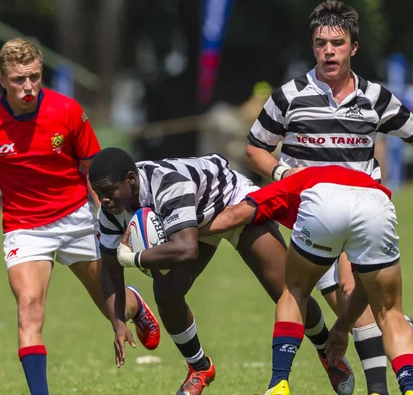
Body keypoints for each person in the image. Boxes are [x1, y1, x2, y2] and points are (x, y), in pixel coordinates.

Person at [245, 0, 413, 392]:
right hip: (314, 211)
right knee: (354, 308)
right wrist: (282, 172)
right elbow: (255, 147)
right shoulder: (289, 95)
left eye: (337, 43)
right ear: (312, 46)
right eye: (321, 43)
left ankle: (376, 386)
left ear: (353, 48)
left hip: (359, 207)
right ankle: (405, 334)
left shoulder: (374, 97)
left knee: (354, 301)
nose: (328, 51)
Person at [0, 38, 160, 395]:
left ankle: (135, 303)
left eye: (35, 78)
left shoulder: (67, 111)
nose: (28, 87)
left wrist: (110, 218)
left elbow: (96, 171)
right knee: (29, 307)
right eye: (19, 79)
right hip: (25, 229)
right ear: (2, 79)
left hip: (76, 219)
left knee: (112, 307)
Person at [89, 147, 354, 395]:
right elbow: (110, 270)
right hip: (191, 226)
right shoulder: (110, 211)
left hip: (229, 202)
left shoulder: (168, 184)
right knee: (166, 294)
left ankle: (326, 349)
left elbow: (186, 249)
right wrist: (119, 323)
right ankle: (200, 367)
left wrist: (136, 257)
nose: (104, 200)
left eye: (109, 191)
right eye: (99, 193)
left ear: (131, 179)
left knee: (286, 289)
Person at [198, 165, 413, 395]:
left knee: (295, 290)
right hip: (376, 203)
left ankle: (279, 382)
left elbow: (234, 215)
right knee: (390, 312)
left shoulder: (297, 181)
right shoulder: (361, 179)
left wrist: (182, 232)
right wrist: (342, 326)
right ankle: (411, 389)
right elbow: (364, 289)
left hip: (323, 202)